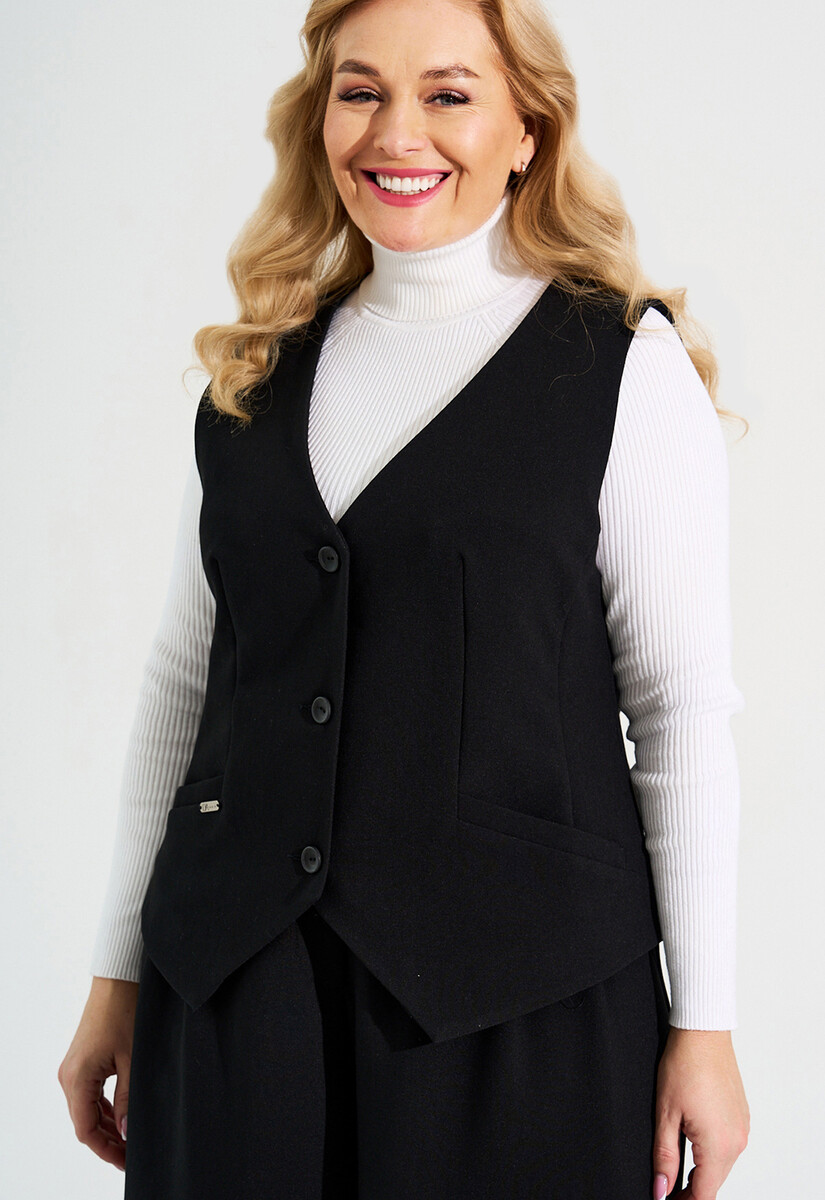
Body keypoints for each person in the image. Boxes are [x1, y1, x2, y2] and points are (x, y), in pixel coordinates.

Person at [58, 0, 751, 1196]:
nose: (396, 132)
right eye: (361, 91)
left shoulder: (620, 370)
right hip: (237, 1007)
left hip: (516, 1020)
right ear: (321, 119)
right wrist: (117, 974)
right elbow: (185, 683)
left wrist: (708, 1025)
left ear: (527, 129)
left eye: (448, 94)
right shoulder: (257, 374)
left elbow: (680, 710)